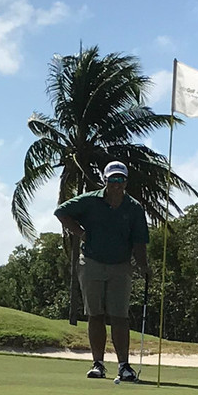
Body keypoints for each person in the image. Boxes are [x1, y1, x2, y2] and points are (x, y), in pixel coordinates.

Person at [54, 160, 151, 381]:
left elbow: (139, 242)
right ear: (105, 180)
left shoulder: (134, 207)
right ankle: (98, 364)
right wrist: (80, 233)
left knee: (120, 316)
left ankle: (124, 366)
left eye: (121, 179)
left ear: (126, 182)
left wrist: (144, 266)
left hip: (121, 265)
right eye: (113, 179)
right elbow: (61, 212)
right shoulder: (90, 200)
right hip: (91, 262)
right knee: (95, 314)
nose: (117, 184)